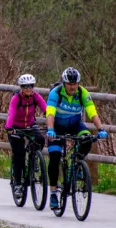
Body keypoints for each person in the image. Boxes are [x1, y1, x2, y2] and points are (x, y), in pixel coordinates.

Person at [45, 67, 108, 209]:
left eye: (75, 84)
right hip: (57, 126)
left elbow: (92, 112)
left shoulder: (82, 93)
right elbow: (50, 113)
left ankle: (77, 162)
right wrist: (50, 130)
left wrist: (100, 129)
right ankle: (54, 193)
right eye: (69, 84)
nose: (73, 86)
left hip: (75, 124)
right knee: (54, 157)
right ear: (64, 83)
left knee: (86, 139)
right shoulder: (56, 93)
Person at [5, 74, 47, 194]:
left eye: (31, 86)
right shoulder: (16, 98)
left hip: (30, 125)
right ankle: (18, 183)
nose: (28, 89)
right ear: (21, 87)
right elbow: (11, 113)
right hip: (15, 127)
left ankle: (34, 159)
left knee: (40, 139)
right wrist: (8, 127)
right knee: (19, 155)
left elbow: (46, 108)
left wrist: (52, 120)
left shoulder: (35, 96)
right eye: (25, 86)